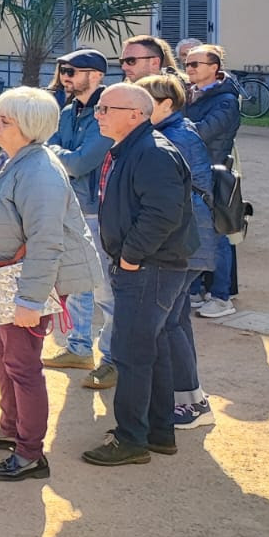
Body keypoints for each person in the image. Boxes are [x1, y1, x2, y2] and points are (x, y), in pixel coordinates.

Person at [0, 87, 98, 482]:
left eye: (4, 120)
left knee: (22, 365)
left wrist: (30, 299)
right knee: (1, 352)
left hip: (22, 280)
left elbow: (46, 241)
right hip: (3, 277)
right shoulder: (12, 161)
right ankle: (11, 429)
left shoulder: (39, 170)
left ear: (29, 127)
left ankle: (29, 454)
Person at [81, 83, 197, 468]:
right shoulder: (134, 147)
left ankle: (132, 438)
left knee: (132, 352)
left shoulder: (152, 152)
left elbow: (162, 214)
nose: (98, 114)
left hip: (150, 267)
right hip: (151, 265)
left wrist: (130, 257)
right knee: (153, 347)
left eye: (105, 108)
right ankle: (158, 432)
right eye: (98, 108)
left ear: (136, 114)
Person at [138, 73, 218, 430]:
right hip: (190, 238)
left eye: (145, 103)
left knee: (169, 322)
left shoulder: (175, 136)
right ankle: (189, 397)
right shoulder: (175, 130)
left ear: (166, 104)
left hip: (186, 240)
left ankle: (190, 403)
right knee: (176, 319)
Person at [43, 48, 116, 388]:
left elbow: (79, 162)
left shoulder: (108, 111)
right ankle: (79, 348)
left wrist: (56, 153)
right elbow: (57, 150)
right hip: (72, 207)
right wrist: (59, 153)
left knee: (105, 291)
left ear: (97, 75)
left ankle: (112, 360)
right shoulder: (69, 109)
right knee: (76, 282)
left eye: (73, 71)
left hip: (99, 210)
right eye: (63, 71)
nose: (66, 77)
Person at [183, 43, 242, 318]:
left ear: (214, 68)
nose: (189, 69)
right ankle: (195, 290)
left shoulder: (226, 100)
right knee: (191, 233)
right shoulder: (190, 94)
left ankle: (221, 297)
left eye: (195, 64)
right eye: (187, 64)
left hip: (212, 174)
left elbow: (202, 133)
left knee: (217, 237)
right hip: (191, 172)